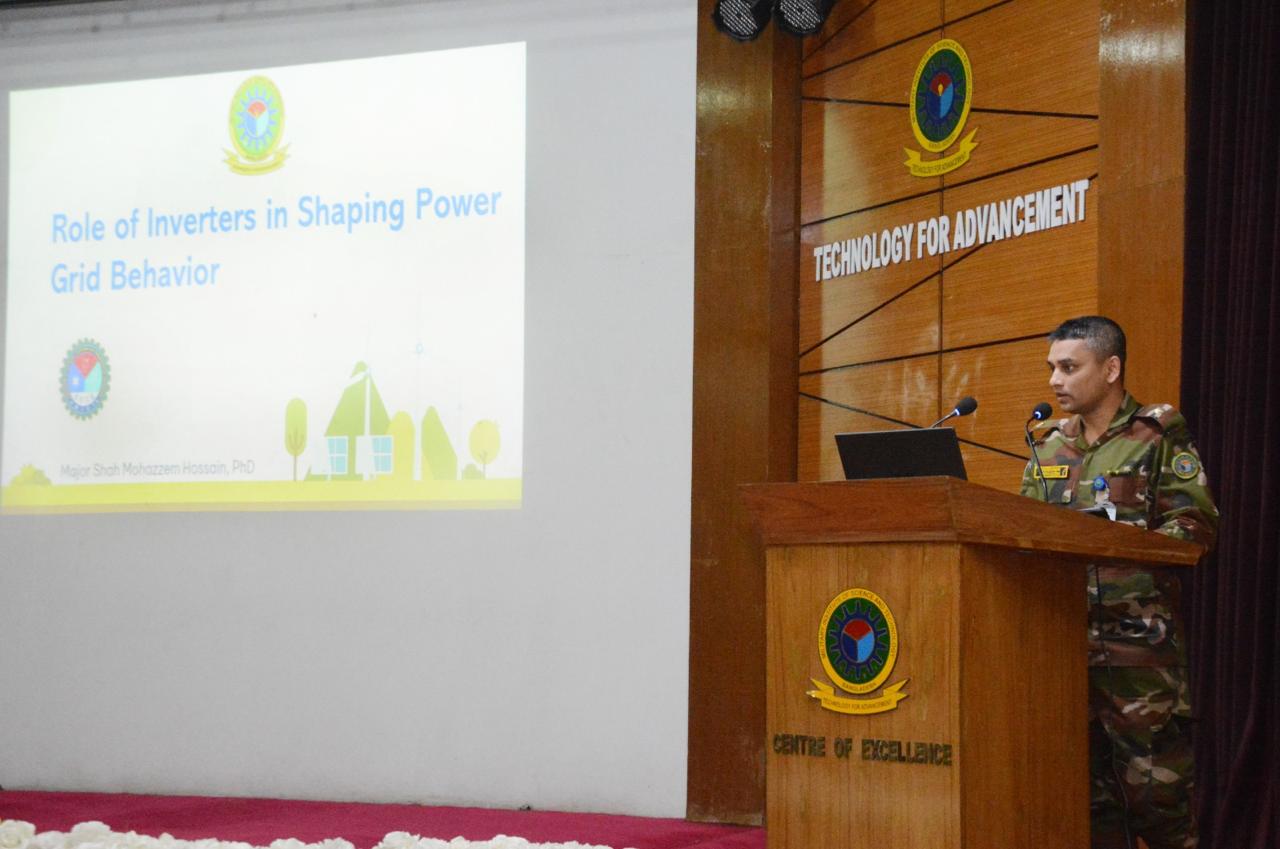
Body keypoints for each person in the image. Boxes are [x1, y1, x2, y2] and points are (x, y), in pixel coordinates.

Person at [1020, 316, 1218, 849]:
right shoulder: (1048, 446)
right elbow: (1019, 531)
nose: (1055, 380)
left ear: (1110, 369)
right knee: (1087, 808)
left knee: (1158, 804)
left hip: (1137, 651)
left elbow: (1195, 525)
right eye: (1051, 368)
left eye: (1069, 367)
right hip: (1062, 649)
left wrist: (1116, 544)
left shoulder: (1156, 433)